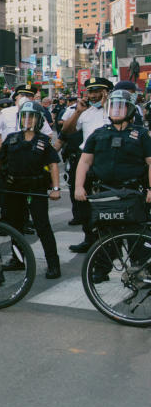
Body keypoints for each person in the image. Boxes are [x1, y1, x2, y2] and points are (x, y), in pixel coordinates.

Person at [74, 89, 151, 280]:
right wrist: (78, 186)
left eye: (121, 107)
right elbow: (84, 162)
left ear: (130, 110)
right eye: (113, 107)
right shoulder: (98, 133)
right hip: (105, 192)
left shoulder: (141, 134)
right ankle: (101, 269)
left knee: (136, 235)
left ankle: (140, 270)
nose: (116, 111)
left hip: (133, 192)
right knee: (105, 233)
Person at [0, 102, 62, 279]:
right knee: (14, 226)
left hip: (35, 188)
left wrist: (55, 188)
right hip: (13, 189)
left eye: (32, 117)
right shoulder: (12, 138)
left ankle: (53, 264)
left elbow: (53, 166)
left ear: (38, 120)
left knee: (42, 226)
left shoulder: (44, 141)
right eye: (24, 116)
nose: (27, 120)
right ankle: (18, 260)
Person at [63, 77, 112, 252]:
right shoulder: (85, 112)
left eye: (97, 91)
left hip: (106, 161)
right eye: (90, 91)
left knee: (106, 202)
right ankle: (89, 238)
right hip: (86, 161)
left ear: (106, 92)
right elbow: (66, 131)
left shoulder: (113, 110)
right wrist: (77, 112)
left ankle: (108, 240)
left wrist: (108, 105)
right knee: (83, 203)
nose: (92, 95)